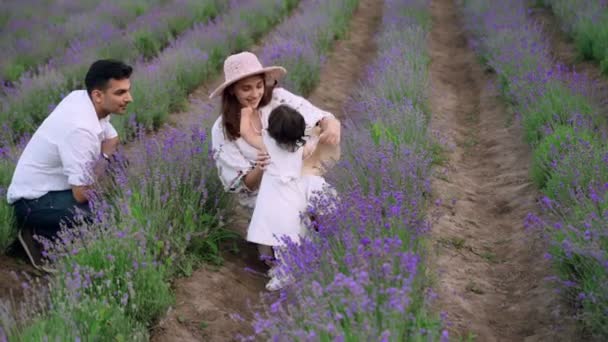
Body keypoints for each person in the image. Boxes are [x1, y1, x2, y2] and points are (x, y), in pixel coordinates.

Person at [209, 51, 341, 279]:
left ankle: (325, 248)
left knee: (316, 194)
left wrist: (331, 126)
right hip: (262, 193)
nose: (254, 94)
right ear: (232, 90)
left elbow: (319, 116)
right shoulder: (222, 129)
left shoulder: (278, 99)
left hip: (295, 177)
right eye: (246, 88)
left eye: (258, 86)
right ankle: (286, 260)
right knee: (285, 224)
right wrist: (262, 166)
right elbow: (244, 186)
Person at [7, 59, 133, 271]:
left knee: (120, 168)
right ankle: (38, 238)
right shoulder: (80, 129)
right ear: (98, 95)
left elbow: (112, 140)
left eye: (128, 91)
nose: (129, 98)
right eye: (120, 93)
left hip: (56, 187)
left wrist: (103, 163)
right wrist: (104, 164)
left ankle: (59, 233)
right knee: (106, 214)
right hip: (34, 201)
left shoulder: (83, 99)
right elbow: (82, 194)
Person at [246, 104, 332, 291]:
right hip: (291, 196)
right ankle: (284, 271)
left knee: (267, 234)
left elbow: (249, 135)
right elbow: (311, 143)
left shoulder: (266, 140)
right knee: (289, 233)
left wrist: (246, 116)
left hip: (270, 197)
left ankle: (279, 270)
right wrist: (318, 131)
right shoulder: (300, 146)